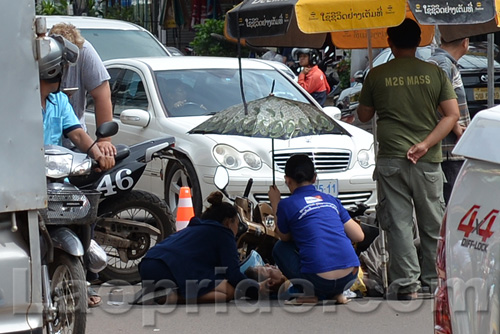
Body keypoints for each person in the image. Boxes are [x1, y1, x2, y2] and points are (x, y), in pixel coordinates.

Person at [356, 19, 460, 300]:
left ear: (390, 42)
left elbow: (363, 116)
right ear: (419, 42)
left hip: (391, 158)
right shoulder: (435, 73)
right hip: (428, 160)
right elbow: (452, 116)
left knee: (398, 224)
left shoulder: (376, 75)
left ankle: (407, 285)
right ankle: (435, 283)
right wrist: (425, 144)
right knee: (433, 222)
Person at [268, 154, 364, 304]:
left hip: (319, 279)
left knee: (279, 248)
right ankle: (337, 294)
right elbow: (359, 236)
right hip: (350, 276)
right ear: (314, 178)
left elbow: (284, 237)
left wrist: (275, 203)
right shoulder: (331, 200)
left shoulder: (286, 205)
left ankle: (310, 294)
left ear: (287, 180)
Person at [139, 191, 267, 303]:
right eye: (237, 225)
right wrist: (257, 289)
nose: (236, 231)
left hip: (148, 264)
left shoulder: (197, 227)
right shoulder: (223, 234)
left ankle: (160, 291)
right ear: (229, 222)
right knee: (229, 291)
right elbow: (233, 275)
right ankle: (169, 297)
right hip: (165, 270)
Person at [40, 34, 115, 172]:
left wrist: (99, 156)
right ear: (52, 70)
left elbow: (78, 135)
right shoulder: (21, 103)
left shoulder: (60, 101)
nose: (65, 73)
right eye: (63, 68)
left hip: (58, 173)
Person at [427, 37, 471, 204]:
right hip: (449, 149)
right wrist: (457, 129)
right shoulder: (444, 64)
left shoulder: (437, 61)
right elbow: (439, 100)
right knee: (454, 204)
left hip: (447, 148)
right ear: (465, 42)